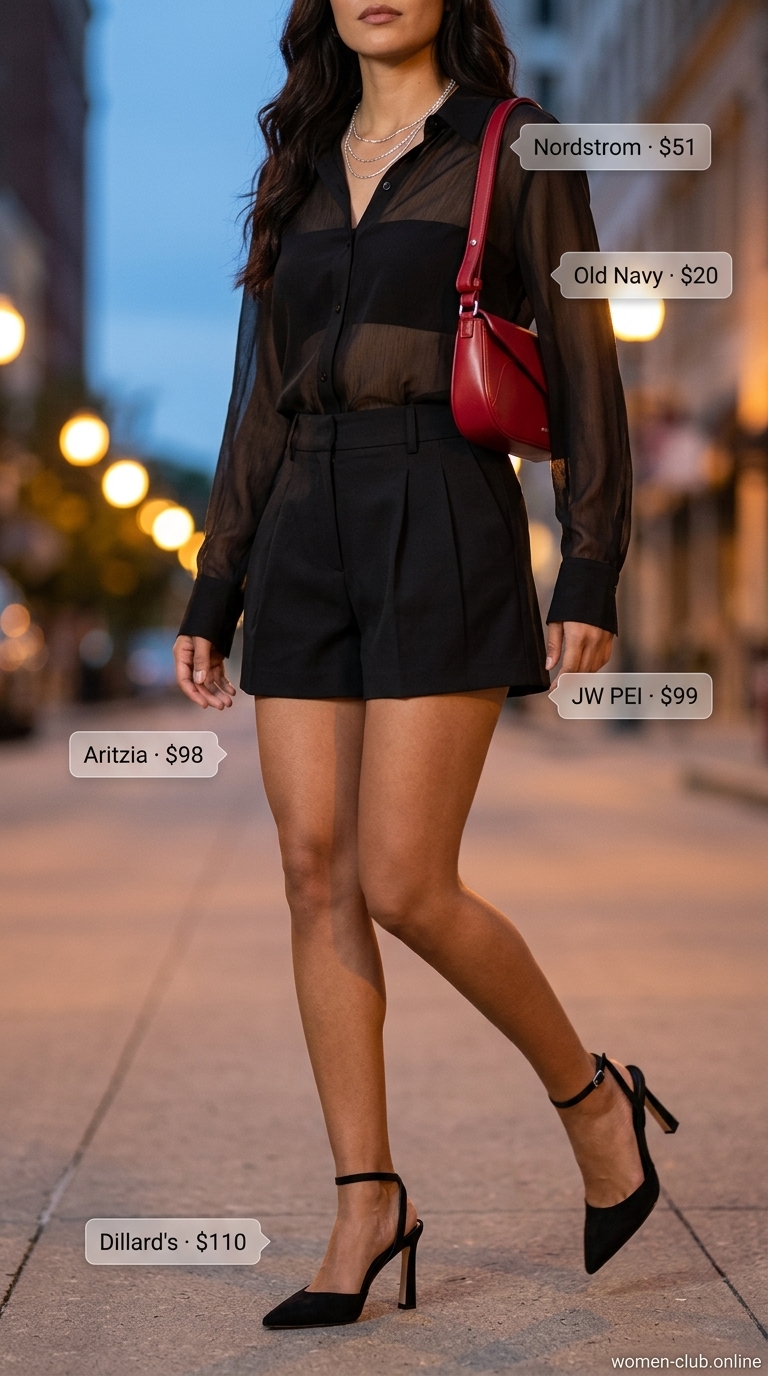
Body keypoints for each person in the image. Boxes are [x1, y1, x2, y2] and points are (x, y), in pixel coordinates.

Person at [174, 0, 677, 1329]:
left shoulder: (519, 146)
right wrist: (213, 587)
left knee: (403, 878)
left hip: (441, 500)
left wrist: (591, 563)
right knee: (311, 868)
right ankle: (366, 1200)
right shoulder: (298, 160)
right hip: (302, 526)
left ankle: (592, 1098)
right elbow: (253, 394)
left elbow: (584, 365)